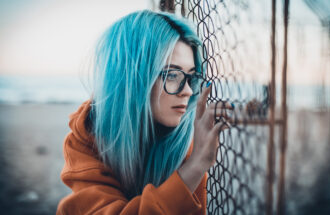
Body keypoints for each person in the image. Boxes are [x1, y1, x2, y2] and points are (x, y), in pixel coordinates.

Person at [57, 10, 232, 215]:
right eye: (173, 75)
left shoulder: (188, 138)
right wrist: (195, 166)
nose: (188, 91)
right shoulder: (86, 138)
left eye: (191, 76)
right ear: (133, 78)